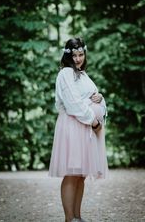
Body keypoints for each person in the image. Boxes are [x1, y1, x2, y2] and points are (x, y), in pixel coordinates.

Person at [48, 37, 108, 222]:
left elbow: (95, 97)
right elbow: (73, 104)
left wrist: (101, 100)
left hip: (85, 129)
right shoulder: (65, 74)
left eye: (81, 54)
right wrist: (93, 121)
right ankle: (69, 218)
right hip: (73, 127)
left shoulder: (82, 74)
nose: (78, 59)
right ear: (68, 56)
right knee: (72, 173)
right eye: (74, 55)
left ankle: (77, 216)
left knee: (80, 175)